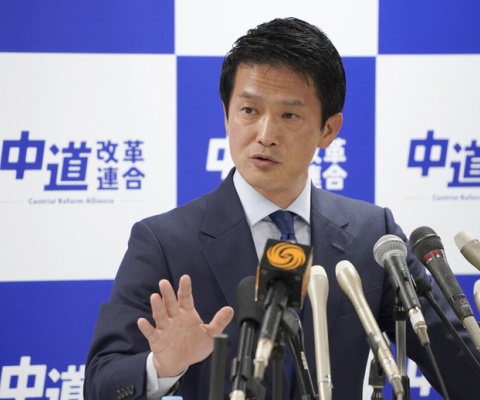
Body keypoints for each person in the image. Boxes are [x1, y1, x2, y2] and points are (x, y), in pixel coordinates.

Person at [84, 17, 480, 399]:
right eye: (249, 111)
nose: (265, 135)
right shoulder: (166, 242)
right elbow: (101, 382)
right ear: (226, 116)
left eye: (289, 115)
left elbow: (462, 370)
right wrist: (161, 366)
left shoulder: (373, 236)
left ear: (329, 129)